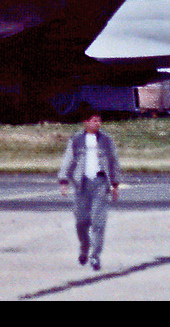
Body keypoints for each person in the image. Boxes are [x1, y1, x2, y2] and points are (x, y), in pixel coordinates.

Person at [57, 109, 121, 270]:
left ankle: (95, 255)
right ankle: (84, 247)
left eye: (99, 121)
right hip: (82, 184)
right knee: (81, 221)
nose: (97, 124)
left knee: (98, 221)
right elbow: (68, 160)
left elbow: (114, 161)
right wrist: (64, 180)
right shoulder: (77, 140)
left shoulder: (106, 140)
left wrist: (115, 184)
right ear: (85, 122)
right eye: (93, 121)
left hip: (100, 183)